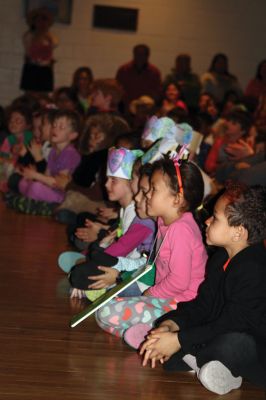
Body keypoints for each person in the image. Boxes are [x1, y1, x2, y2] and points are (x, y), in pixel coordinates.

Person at [140, 183, 266, 395]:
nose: (207, 221)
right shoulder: (220, 258)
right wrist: (172, 324)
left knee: (232, 343)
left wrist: (180, 339)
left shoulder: (254, 268)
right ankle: (199, 362)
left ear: (238, 233)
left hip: (255, 349)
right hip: (219, 332)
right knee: (172, 330)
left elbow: (231, 324)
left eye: (215, 218)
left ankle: (212, 366)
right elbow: (202, 305)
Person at [96, 152, 208, 341]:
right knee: (104, 308)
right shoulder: (166, 223)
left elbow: (180, 281)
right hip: (166, 297)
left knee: (106, 312)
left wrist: (149, 294)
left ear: (177, 199)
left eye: (153, 189)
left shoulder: (181, 230)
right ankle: (141, 335)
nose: (147, 194)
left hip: (181, 305)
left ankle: (156, 333)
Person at [10, 110, 81, 214]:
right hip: (50, 190)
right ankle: (33, 203)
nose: (55, 129)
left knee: (35, 187)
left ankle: (44, 206)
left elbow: (59, 184)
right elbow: (46, 175)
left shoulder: (70, 153)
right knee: (23, 183)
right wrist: (32, 175)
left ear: (72, 135)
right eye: (54, 125)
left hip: (62, 195)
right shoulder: (53, 151)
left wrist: (35, 175)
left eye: (61, 127)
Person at [20, 7, 58, 94]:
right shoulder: (28, 36)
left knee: (44, 96)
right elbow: (28, 52)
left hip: (45, 70)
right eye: (38, 21)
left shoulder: (53, 38)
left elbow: (54, 46)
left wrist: (47, 37)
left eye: (44, 20)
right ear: (34, 23)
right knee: (29, 95)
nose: (41, 23)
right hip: (32, 68)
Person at [116, 44, 162, 112]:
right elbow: (118, 89)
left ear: (147, 56)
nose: (139, 57)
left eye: (142, 55)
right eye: (137, 54)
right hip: (126, 109)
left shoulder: (154, 72)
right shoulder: (124, 70)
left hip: (146, 110)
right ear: (134, 54)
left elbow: (157, 92)